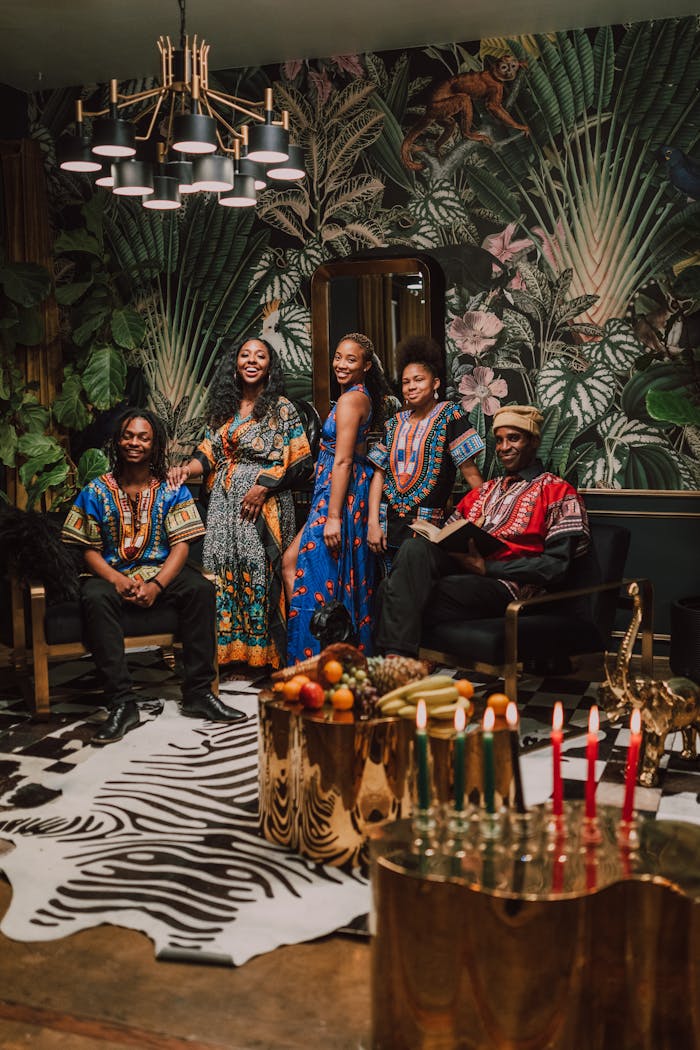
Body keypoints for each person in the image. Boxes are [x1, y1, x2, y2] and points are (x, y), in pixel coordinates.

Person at [62, 408, 245, 745]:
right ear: (117, 441)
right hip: (109, 573)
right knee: (94, 596)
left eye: (143, 437)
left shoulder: (171, 490)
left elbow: (181, 546)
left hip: (159, 571)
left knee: (199, 589)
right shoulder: (96, 490)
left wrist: (158, 584)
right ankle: (121, 703)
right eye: (128, 435)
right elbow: (85, 548)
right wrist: (117, 580)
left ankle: (198, 693)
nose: (134, 442)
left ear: (155, 444)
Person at [374, 405, 590, 657]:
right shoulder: (485, 491)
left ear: (533, 441)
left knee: (391, 591)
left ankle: (396, 662)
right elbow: (443, 540)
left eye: (513, 438)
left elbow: (555, 568)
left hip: (508, 586)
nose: (504, 447)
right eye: (499, 440)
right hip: (464, 574)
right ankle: (400, 661)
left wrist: (488, 568)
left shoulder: (557, 491)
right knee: (413, 547)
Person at [167, 338, 312, 671]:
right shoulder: (223, 411)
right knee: (226, 573)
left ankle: (269, 656)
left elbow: (302, 461)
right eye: (245, 356)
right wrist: (182, 470)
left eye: (260, 356)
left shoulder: (282, 407)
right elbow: (207, 453)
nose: (251, 361)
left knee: (261, 574)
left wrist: (263, 488)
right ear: (235, 364)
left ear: (269, 366)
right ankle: (232, 654)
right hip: (223, 507)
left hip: (266, 508)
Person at [284, 332, 389, 662]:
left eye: (351, 360)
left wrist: (333, 517)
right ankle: (326, 658)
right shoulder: (357, 398)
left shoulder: (350, 401)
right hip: (337, 488)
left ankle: (316, 660)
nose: (341, 365)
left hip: (338, 497)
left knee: (310, 573)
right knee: (310, 570)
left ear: (366, 366)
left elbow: (345, 459)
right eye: (338, 357)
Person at [367, 334, 484, 566]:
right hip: (386, 529)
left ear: (436, 383)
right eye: (406, 382)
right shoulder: (394, 423)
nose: (411, 387)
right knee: (390, 593)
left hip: (427, 533)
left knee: (419, 594)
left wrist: (486, 516)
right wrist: (372, 524)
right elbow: (378, 475)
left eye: (418, 380)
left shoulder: (450, 416)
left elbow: (470, 472)